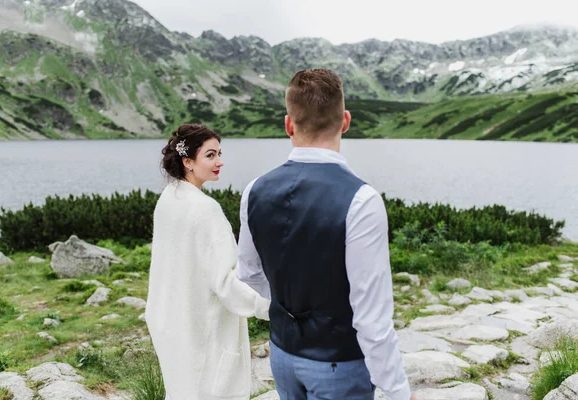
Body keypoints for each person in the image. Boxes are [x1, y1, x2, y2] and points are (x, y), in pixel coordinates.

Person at [237, 69, 415, 400]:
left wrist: (292, 308)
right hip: (340, 363)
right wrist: (399, 391)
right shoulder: (362, 200)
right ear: (345, 121)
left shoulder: (254, 190)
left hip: (282, 354)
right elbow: (372, 317)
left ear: (288, 124)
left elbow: (248, 274)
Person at [145, 123, 270, 400]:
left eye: (219, 154)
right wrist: (270, 307)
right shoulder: (206, 210)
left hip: (171, 325)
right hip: (203, 330)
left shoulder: (168, 198)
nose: (220, 162)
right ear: (187, 161)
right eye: (210, 155)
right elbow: (226, 281)